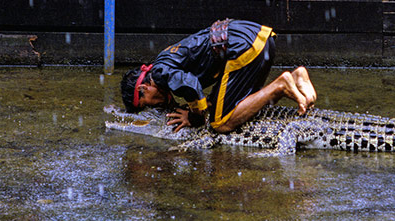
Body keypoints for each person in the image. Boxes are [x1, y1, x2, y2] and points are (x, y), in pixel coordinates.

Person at [119, 19, 317, 134]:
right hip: (258, 38)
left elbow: (191, 85)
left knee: (220, 123)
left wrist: (195, 117)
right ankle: (297, 76)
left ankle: (281, 85)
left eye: (147, 104)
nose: (155, 106)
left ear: (143, 89)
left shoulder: (159, 74)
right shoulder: (163, 62)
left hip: (241, 48)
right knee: (232, 103)